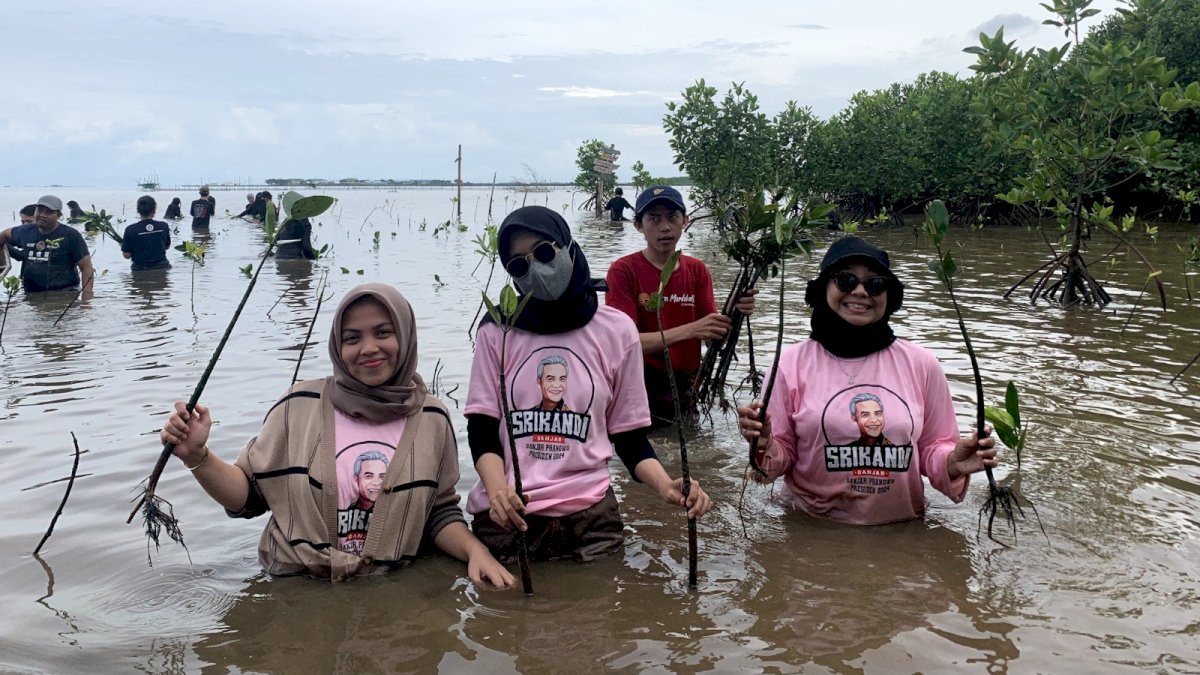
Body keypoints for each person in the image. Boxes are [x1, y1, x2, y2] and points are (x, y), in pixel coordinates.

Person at [159, 283, 514, 585]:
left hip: (386, 594)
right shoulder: (298, 405)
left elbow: (437, 514)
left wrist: (475, 552)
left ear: (405, 336)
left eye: (383, 332)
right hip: (294, 589)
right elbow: (248, 497)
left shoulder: (432, 418)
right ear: (337, 347)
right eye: (352, 338)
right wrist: (197, 456)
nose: (369, 348)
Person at [466, 205, 712, 564]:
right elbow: (482, 428)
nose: (535, 267)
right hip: (509, 517)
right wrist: (498, 491)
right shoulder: (498, 330)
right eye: (519, 264)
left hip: (591, 518)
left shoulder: (616, 330)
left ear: (567, 245)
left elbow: (628, 438)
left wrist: (665, 485)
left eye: (545, 252)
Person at [736, 236, 998, 525]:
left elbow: (933, 448)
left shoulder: (922, 363)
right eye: (846, 281)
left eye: (874, 284)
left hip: (901, 529)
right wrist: (763, 445)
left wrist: (952, 463)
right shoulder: (790, 364)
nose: (860, 292)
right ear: (824, 288)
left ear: (888, 296)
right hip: (812, 527)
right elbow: (777, 460)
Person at [605, 185, 756, 425]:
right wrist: (691, 330)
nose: (664, 227)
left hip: (688, 384)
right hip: (640, 384)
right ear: (638, 225)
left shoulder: (697, 270)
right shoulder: (623, 270)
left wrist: (733, 315)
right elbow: (623, 345)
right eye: (654, 219)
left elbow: (711, 338)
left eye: (672, 217)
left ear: (685, 221)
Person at [0, 195, 94, 294]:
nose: (43, 215)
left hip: (64, 293)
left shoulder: (71, 235)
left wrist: (86, 299)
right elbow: (4, 235)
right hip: (30, 294)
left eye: (49, 212)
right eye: (39, 210)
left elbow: (86, 268)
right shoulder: (25, 231)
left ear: (58, 215)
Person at [121, 195, 171, 271]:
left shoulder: (130, 230)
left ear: (138, 211)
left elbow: (126, 255)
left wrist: (123, 245)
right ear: (154, 210)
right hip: (162, 267)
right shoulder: (163, 226)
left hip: (139, 269)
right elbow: (167, 246)